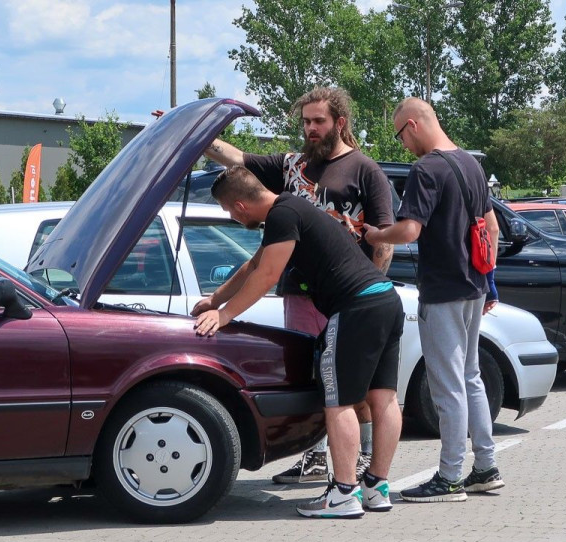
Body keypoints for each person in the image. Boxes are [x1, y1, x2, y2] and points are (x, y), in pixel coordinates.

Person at [203, 86, 394, 485]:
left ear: (339, 123)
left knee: (351, 387)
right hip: (306, 290)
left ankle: (355, 470)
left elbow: (385, 237)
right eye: (306, 121)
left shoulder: (364, 168)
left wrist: (372, 283)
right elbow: (236, 159)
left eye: (318, 121)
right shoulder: (291, 166)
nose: (310, 128)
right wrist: (195, 132)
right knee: (318, 376)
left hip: (352, 292)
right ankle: (321, 459)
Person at [194, 166, 404, 518]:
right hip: (385, 299)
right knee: (384, 399)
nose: (231, 217)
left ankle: (343, 495)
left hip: (356, 307)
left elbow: (268, 275)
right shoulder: (290, 209)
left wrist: (226, 316)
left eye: (228, 211)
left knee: (338, 402)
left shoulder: (283, 214)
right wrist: (215, 300)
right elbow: (255, 264)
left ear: (240, 206)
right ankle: (376, 487)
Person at [365, 98, 503, 502]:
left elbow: (408, 230)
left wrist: (376, 236)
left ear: (412, 125)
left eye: (400, 135)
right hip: (475, 287)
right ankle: (486, 467)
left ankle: (449, 478)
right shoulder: (471, 164)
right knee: (470, 375)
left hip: (442, 290)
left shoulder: (427, 168)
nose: (404, 145)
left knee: (447, 385)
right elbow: (490, 226)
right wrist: (489, 280)